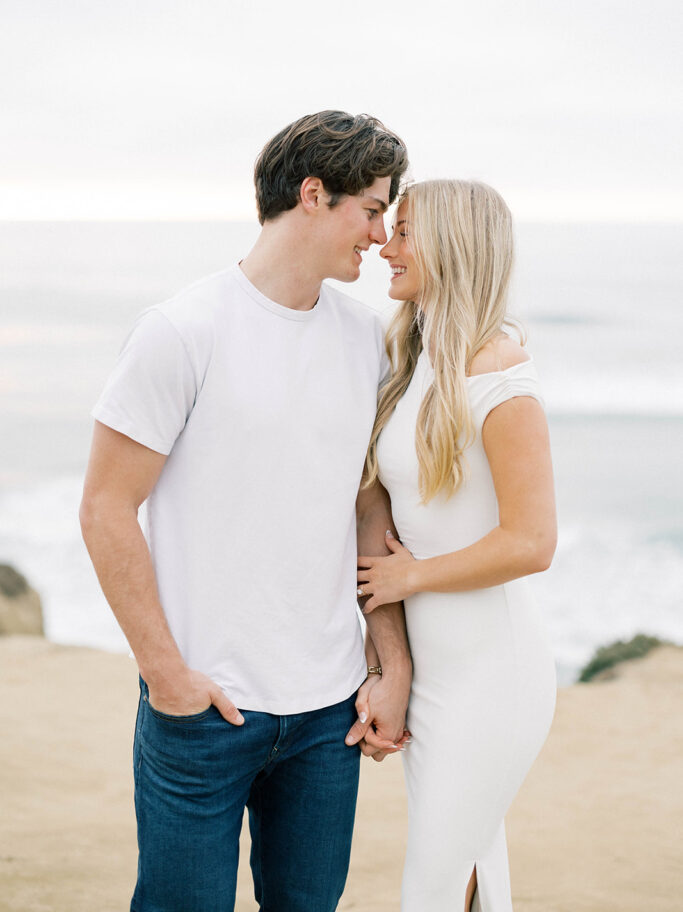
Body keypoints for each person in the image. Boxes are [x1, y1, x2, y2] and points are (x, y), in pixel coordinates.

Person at [79, 110, 412, 912]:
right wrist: (167, 675)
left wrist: (387, 664)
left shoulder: (367, 340)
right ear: (312, 195)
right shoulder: (181, 331)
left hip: (327, 713)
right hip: (203, 709)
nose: (379, 233)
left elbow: (367, 507)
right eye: (370, 209)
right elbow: (105, 508)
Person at [357, 179, 557, 912]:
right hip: (435, 668)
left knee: (434, 882)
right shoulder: (412, 362)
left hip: (490, 674)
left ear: (450, 245)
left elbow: (532, 542)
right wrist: (389, 658)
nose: (386, 245)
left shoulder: (499, 373)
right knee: (471, 870)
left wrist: (413, 579)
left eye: (404, 232)